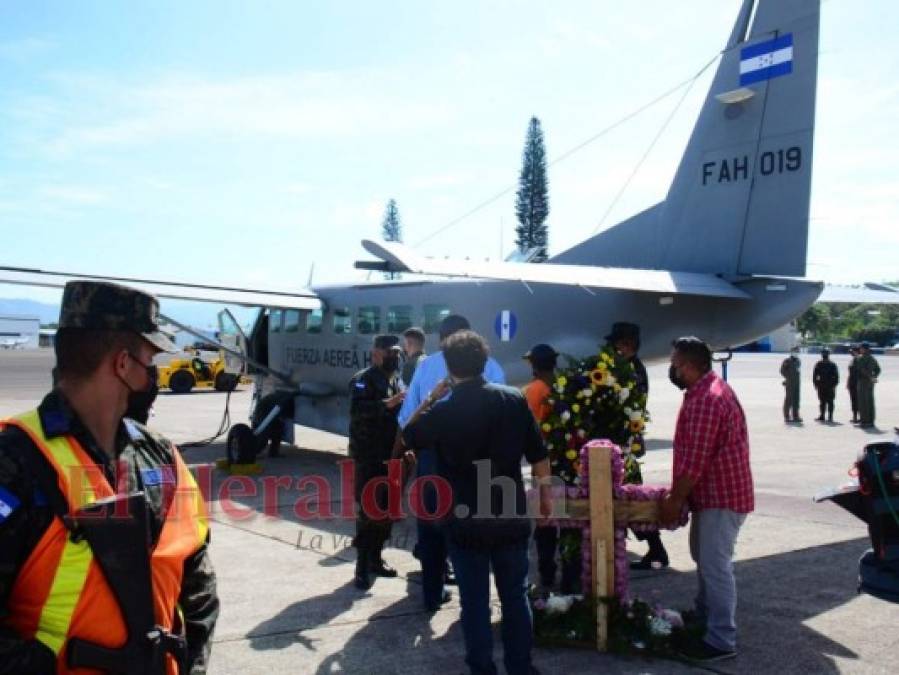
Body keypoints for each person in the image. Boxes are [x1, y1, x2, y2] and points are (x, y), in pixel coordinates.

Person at [0, 280, 219, 674]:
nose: (153, 376)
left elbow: (198, 584)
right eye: (150, 362)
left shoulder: (161, 456)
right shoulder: (15, 462)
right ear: (122, 365)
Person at [402, 330, 551, 675]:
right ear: (485, 361)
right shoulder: (514, 400)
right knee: (515, 597)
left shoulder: (445, 410)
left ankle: (482, 668)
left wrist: (432, 398)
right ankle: (521, 667)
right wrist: (545, 501)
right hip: (510, 516)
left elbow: (407, 433)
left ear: (449, 368)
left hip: (465, 521)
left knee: (475, 603)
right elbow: (540, 459)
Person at [397, 314, 506, 611]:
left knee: (431, 531)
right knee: (473, 533)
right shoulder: (492, 367)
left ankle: (432, 594)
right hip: (476, 462)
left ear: (441, 337)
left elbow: (407, 418)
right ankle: (475, 604)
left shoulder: (425, 367)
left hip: (432, 459)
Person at [660, 337, 754, 663]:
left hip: (721, 498)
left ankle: (721, 640)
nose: (672, 369)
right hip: (714, 496)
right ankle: (703, 616)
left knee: (715, 567)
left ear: (689, 365)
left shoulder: (706, 399)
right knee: (704, 558)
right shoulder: (706, 389)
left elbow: (695, 460)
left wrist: (674, 500)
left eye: (675, 364)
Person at [606, 322, 669, 571]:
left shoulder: (632, 370)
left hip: (625, 444)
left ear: (627, 344)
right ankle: (655, 548)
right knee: (630, 497)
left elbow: (632, 409)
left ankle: (655, 548)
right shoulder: (628, 367)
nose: (613, 348)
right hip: (625, 443)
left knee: (631, 498)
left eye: (617, 343)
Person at [348, 334, 406, 590]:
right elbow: (358, 411)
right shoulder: (363, 379)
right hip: (369, 456)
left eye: (397, 352)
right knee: (368, 511)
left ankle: (376, 558)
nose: (393, 357)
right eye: (389, 352)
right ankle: (361, 565)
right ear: (375, 353)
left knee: (386, 511)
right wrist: (389, 403)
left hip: (391, 455)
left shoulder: (397, 380)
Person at [856, 342, 882, 428]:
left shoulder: (860, 358)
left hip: (863, 382)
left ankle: (865, 421)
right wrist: (874, 376)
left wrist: (870, 377)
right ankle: (871, 420)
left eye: (861, 348)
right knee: (870, 401)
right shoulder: (872, 358)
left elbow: (861, 369)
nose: (860, 349)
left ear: (864, 349)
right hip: (870, 383)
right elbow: (878, 369)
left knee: (863, 402)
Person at [812, 348, 839, 423]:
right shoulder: (819, 364)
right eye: (824, 354)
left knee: (830, 401)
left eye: (826, 354)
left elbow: (836, 376)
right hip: (822, 385)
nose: (824, 355)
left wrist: (834, 385)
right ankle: (822, 415)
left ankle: (830, 416)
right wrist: (816, 384)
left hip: (829, 386)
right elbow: (815, 375)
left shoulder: (832, 364)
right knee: (822, 401)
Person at [780, 347, 802, 423]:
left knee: (796, 399)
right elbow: (782, 371)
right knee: (788, 400)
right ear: (792, 352)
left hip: (797, 383)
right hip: (790, 383)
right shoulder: (787, 361)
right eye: (795, 351)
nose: (797, 353)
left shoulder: (798, 361)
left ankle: (796, 416)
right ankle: (787, 416)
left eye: (798, 352)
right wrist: (788, 377)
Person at [847, 346, 860, 423]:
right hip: (852, 382)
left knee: (858, 400)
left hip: (857, 383)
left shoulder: (859, 360)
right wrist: (848, 382)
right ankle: (855, 416)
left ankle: (860, 416)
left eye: (853, 351)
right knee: (853, 400)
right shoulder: (853, 360)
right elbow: (850, 373)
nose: (851, 353)